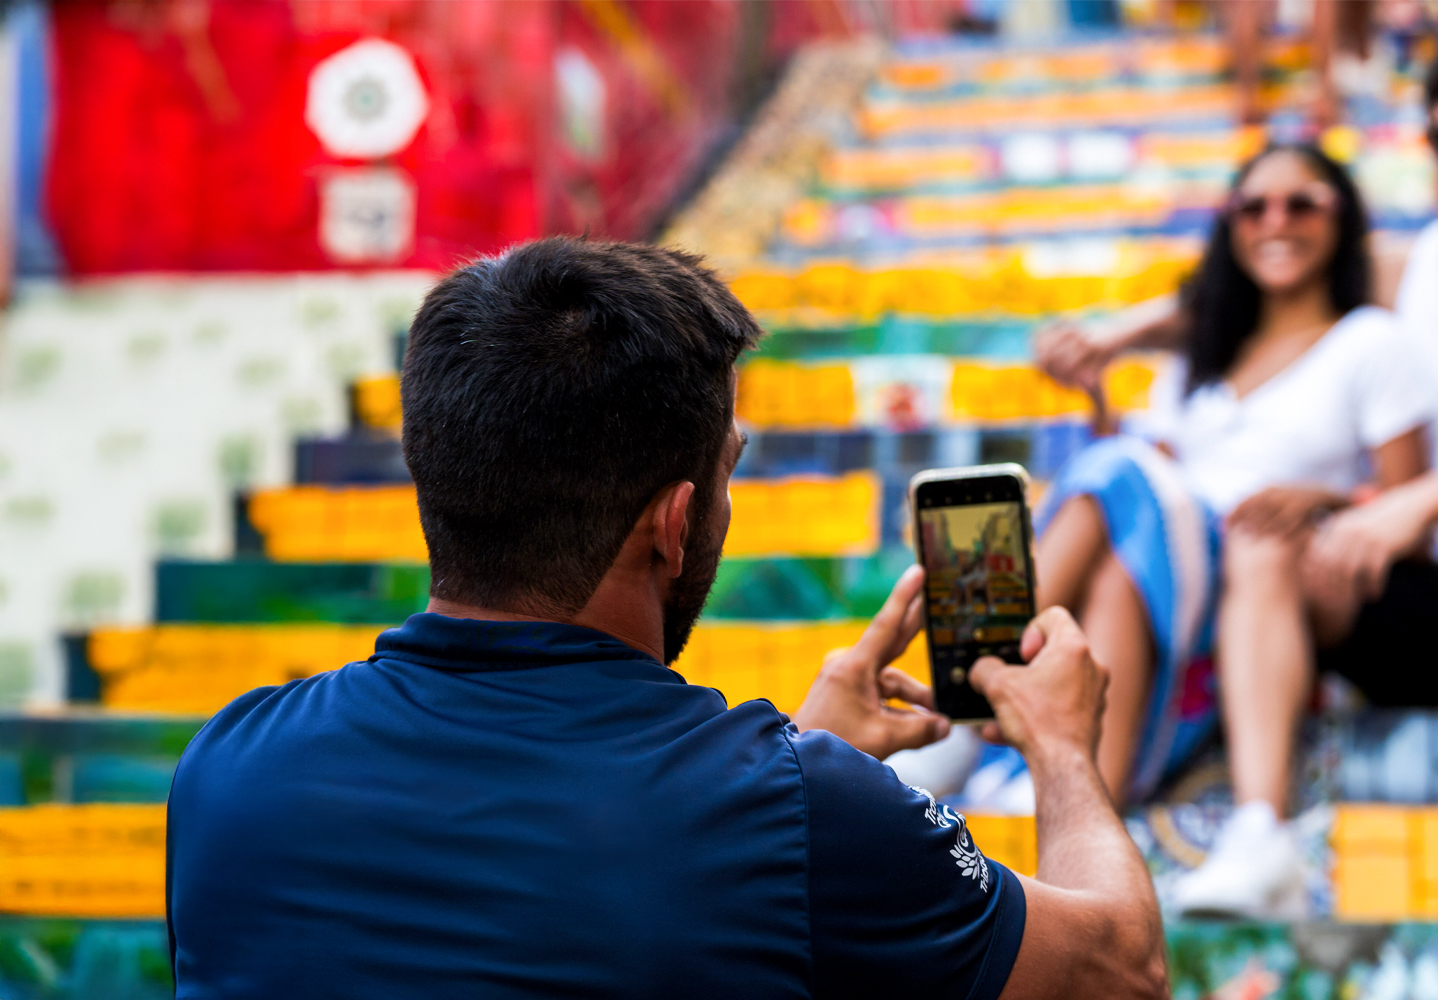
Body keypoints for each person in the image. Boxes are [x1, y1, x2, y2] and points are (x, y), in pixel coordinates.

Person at [165, 239, 1167, 998]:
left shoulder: (228, 767)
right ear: (674, 522)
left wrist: (796, 753)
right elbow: (1119, 967)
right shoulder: (801, 815)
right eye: (725, 469)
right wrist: (1058, 743)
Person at [1040, 32, 1438, 922]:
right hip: (1399, 579)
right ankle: (1262, 831)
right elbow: (1243, 294)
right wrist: (1114, 338)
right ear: (1431, 147)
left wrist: (1403, 504)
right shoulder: (1405, 271)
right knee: (1263, 543)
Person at [1030, 144, 1430, 827]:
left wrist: (1319, 499)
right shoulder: (1199, 361)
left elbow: (1411, 503)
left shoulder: (1370, 341)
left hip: (1265, 567)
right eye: (1254, 207)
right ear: (1231, 226)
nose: (1276, 221)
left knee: (1121, 476)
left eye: (1302, 203)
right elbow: (1142, 484)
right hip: (1171, 560)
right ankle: (1092, 814)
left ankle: (975, 676)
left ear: (1341, 221)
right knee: (1115, 571)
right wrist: (1101, 401)